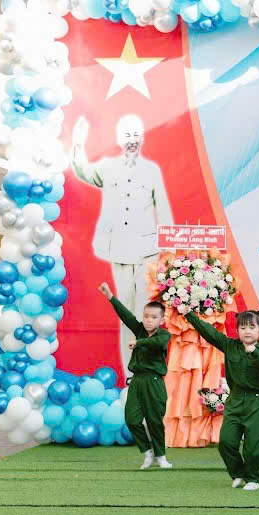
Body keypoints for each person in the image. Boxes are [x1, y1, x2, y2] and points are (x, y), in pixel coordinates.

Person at [73, 114, 173, 381]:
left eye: (136, 135)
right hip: (118, 249)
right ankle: (131, 372)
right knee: (125, 312)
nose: (132, 140)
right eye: (127, 135)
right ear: (119, 139)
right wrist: (78, 143)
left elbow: (163, 207)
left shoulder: (151, 170)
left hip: (148, 250)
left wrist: (171, 249)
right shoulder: (107, 167)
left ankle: (149, 367)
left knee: (147, 311)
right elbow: (82, 170)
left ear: (142, 138)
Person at [183, 308, 259, 491]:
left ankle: (254, 479)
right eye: (243, 327)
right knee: (226, 442)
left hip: (258, 403)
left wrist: (255, 352)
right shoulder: (230, 346)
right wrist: (190, 315)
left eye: (252, 327)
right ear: (237, 330)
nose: (247, 331)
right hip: (235, 401)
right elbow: (209, 332)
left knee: (253, 446)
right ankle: (238, 473)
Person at [99, 282, 171, 470]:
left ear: (161, 320)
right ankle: (147, 453)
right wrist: (110, 297)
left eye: (153, 317)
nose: (149, 320)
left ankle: (161, 456)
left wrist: (139, 343)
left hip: (154, 382)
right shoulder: (139, 330)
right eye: (146, 316)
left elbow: (157, 343)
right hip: (137, 380)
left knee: (155, 421)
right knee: (131, 419)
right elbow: (126, 316)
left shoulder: (164, 335)